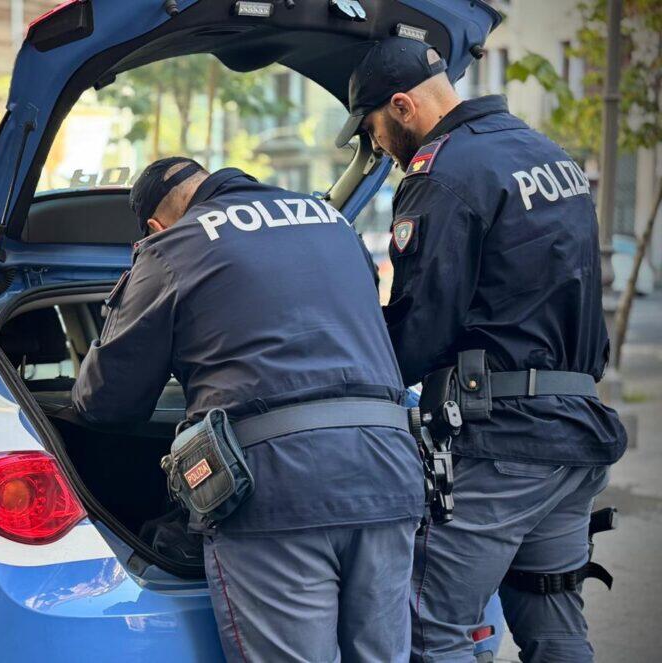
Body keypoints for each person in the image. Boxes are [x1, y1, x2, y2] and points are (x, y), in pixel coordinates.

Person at [338, 37, 627, 662]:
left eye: (373, 130)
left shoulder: (442, 176)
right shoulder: (546, 153)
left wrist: (342, 377)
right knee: (554, 628)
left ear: (401, 106)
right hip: (574, 440)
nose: (379, 147)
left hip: (502, 450)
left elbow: (420, 330)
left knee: (427, 630)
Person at [70, 157, 425, 662]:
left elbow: (104, 402)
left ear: (153, 226)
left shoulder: (173, 247)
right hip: (389, 476)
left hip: (280, 492)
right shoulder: (331, 221)